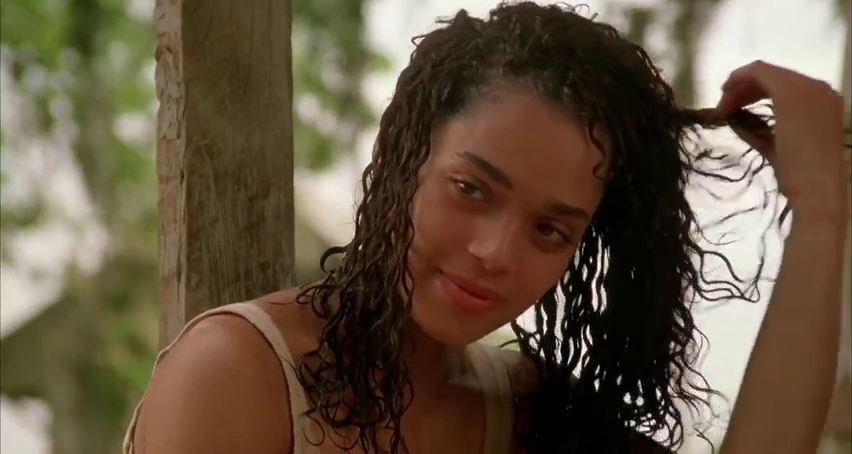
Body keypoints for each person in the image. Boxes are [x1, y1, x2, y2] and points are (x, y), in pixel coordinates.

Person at [124, 2, 848, 453]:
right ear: (404, 157)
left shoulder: (529, 415)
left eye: (549, 231)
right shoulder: (239, 374)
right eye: (471, 189)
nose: (495, 252)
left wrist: (820, 213)